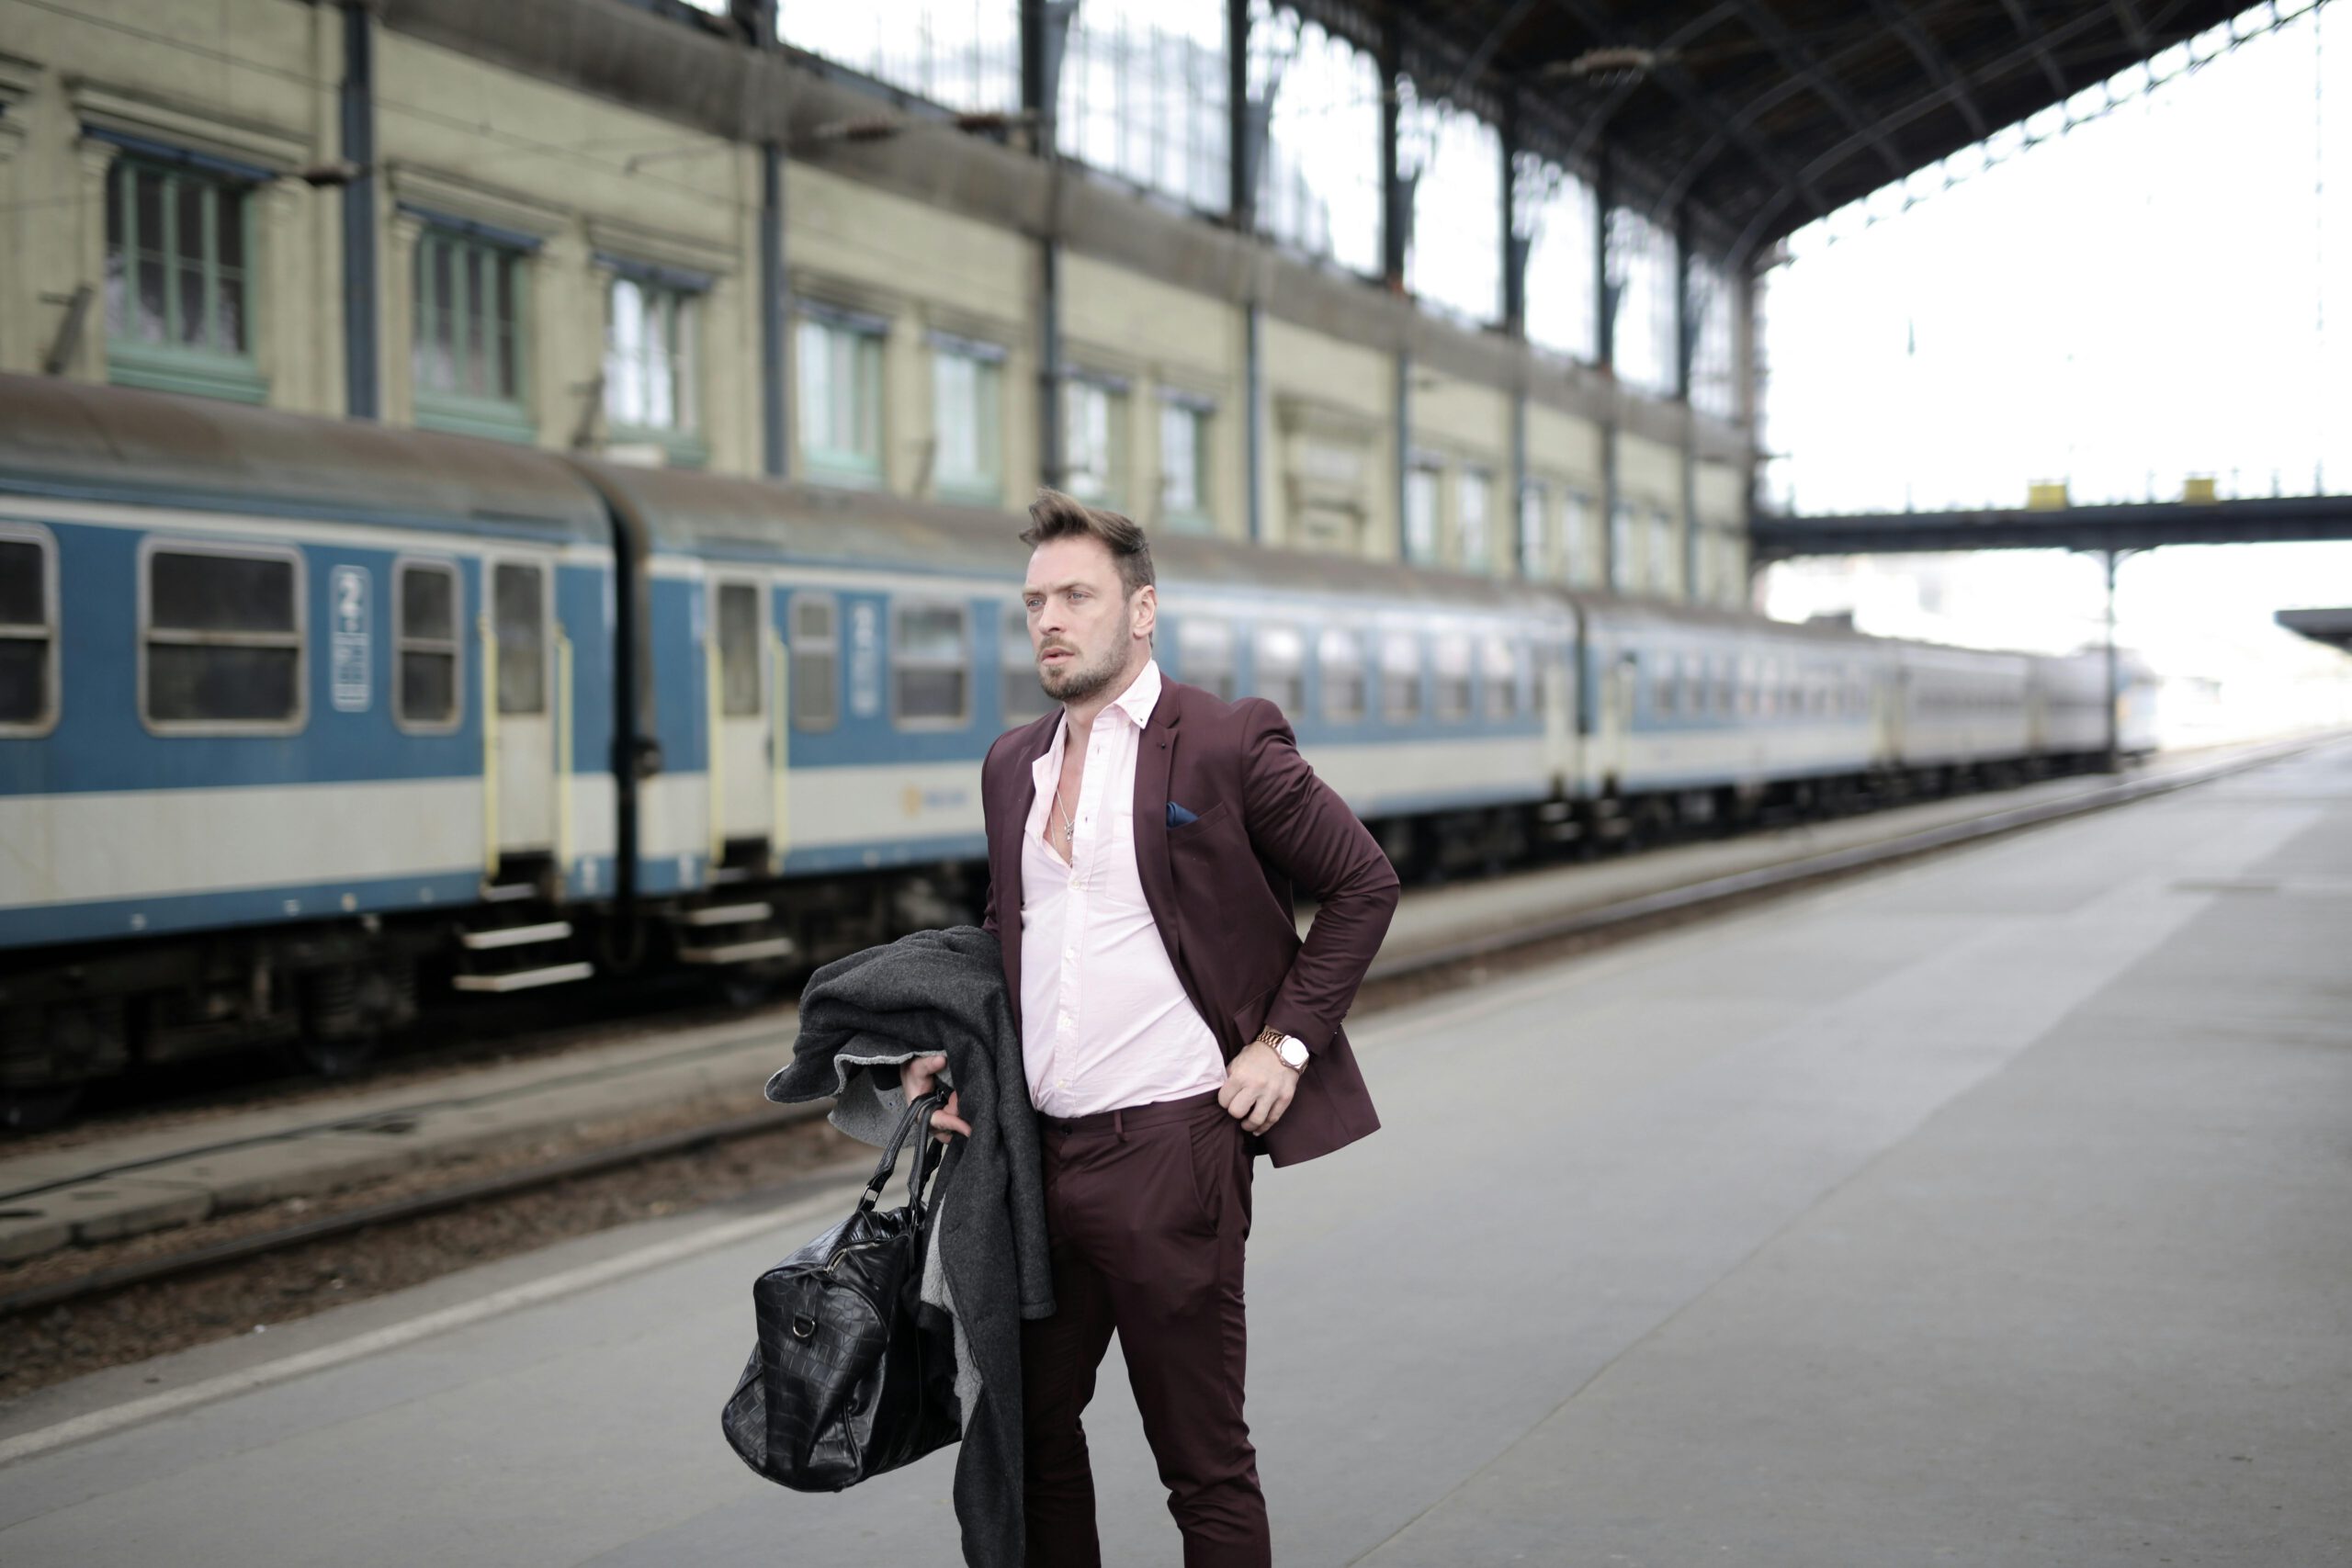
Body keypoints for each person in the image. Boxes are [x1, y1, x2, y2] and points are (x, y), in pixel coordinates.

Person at [905, 489, 1399, 1567]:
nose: (1049, 619)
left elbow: (1363, 883)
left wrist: (1286, 1045)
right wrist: (969, 1070)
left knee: (1200, 1462)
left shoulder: (1224, 741)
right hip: (1036, 1159)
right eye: (1034, 600)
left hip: (1173, 1152)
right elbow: (1015, 940)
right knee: (1029, 1435)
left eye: (1076, 595)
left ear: (1141, 611)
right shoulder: (1012, 764)